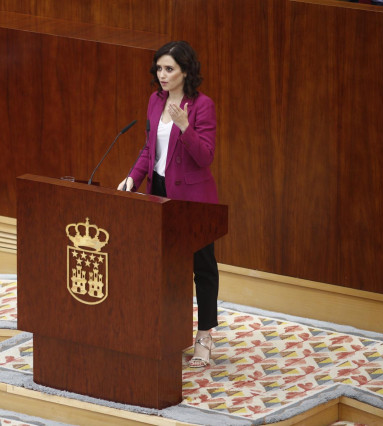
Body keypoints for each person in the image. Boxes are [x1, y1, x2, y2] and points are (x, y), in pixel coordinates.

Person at [118, 41, 219, 368]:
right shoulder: (154, 101)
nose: (162, 75)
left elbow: (205, 157)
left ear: (185, 71)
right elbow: (149, 149)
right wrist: (133, 178)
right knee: (160, 265)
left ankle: (204, 336)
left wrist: (185, 127)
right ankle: (167, 332)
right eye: (159, 68)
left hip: (194, 200)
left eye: (169, 69)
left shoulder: (202, 106)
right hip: (158, 192)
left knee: (201, 267)